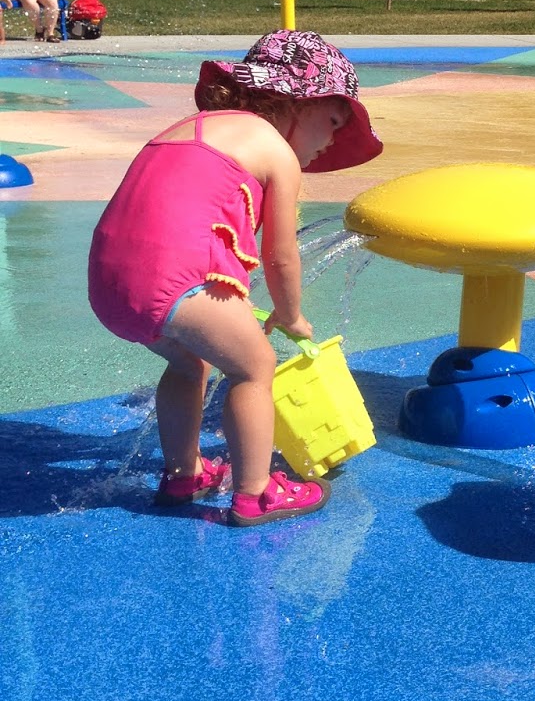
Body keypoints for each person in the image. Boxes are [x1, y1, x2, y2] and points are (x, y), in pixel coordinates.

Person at [88, 30, 383, 527]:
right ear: (296, 102)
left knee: (190, 363)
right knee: (255, 365)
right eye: (333, 122)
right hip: (175, 279)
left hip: (108, 285)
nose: (332, 140)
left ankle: (184, 473)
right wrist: (290, 315)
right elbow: (281, 257)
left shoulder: (190, 127)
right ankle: (256, 493)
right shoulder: (275, 151)